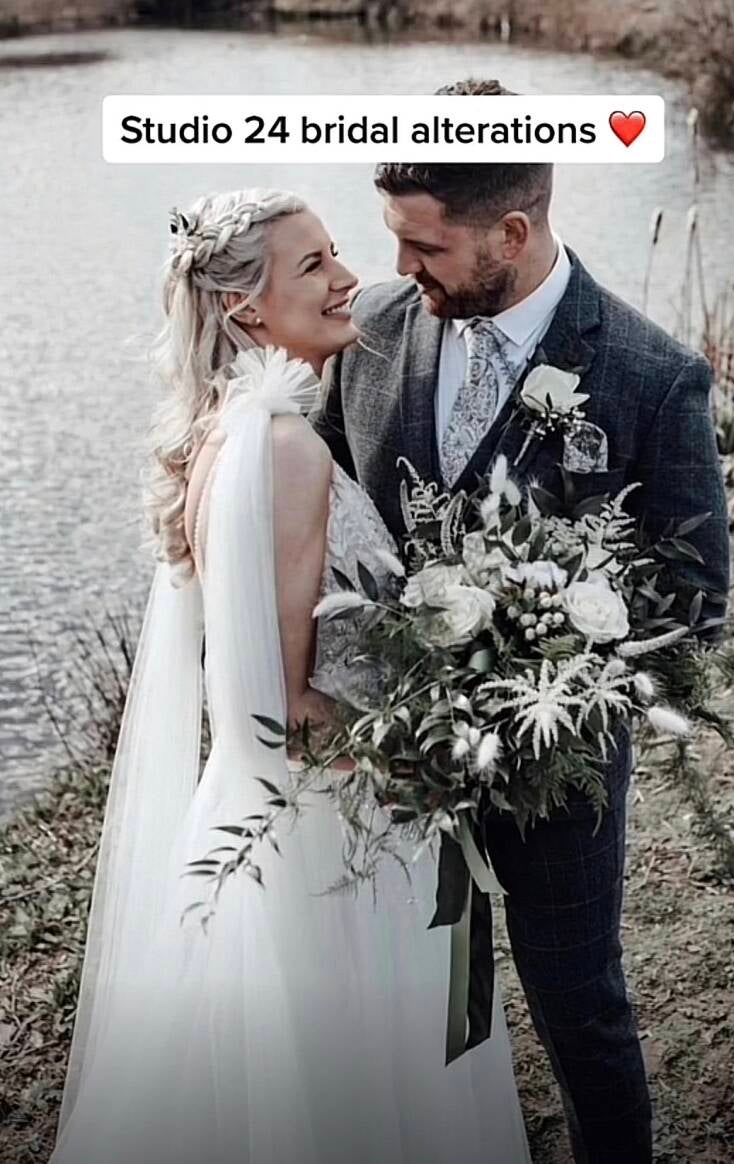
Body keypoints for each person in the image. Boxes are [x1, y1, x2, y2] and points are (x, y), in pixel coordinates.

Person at [51, 188, 532, 1164]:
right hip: (329, 843)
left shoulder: (231, 433)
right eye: (313, 265)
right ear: (244, 307)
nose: (348, 278)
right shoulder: (282, 451)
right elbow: (289, 710)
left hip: (262, 816)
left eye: (336, 253)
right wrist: (437, 755)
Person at [314, 79, 731, 1164]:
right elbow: (319, 504)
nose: (398, 268)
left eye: (425, 247)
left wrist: (547, 680)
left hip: (557, 763)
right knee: (393, 986)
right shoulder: (367, 330)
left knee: (575, 999)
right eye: (392, 239)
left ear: (510, 231)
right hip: (385, 759)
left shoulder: (651, 376)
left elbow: (692, 612)